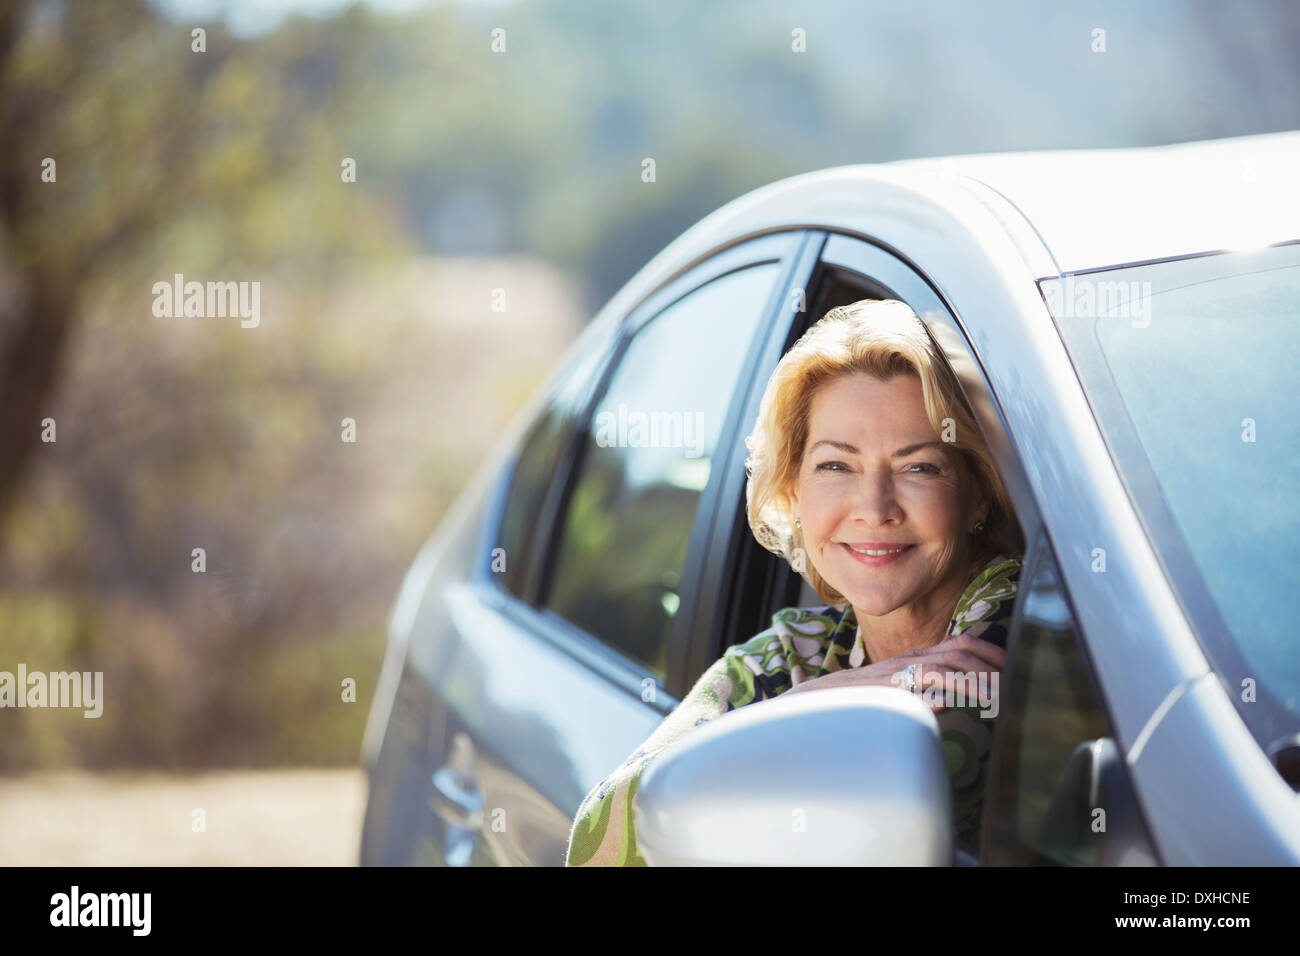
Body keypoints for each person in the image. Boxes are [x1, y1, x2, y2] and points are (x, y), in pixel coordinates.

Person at [565, 298, 1023, 866]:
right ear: (792, 492)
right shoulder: (797, 655)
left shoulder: (1014, 620)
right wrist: (816, 699)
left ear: (976, 492)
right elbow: (596, 837)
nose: (874, 508)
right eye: (836, 465)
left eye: (918, 466)